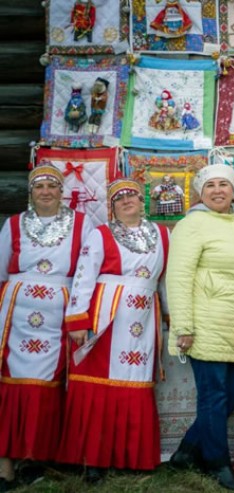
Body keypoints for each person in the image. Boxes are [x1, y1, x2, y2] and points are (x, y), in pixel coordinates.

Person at [57, 179, 169, 481]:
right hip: (106, 321)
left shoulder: (161, 235)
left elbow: (165, 282)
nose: (126, 200)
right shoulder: (100, 235)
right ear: (112, 206)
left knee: (134, 384)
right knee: (99, 387)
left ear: (141, 200)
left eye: (131, 194)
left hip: (143, 322)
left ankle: (129, 457)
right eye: (119, 198)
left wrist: (172, 317)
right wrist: (79, 320)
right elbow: (83, 277)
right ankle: (93, 459)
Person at [166, 163, 234, 491]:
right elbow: (178, 276)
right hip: (204, 323)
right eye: (210, 186)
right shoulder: (192, 225)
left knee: (232, 392)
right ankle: (218, 463)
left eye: (224, 184)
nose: (218, 190)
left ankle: (187, 451)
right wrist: (183, 326)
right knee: (213, 395)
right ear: (200, 193)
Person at [0, 165, 92, 489]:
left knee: (48, 382)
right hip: (17, 315)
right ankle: (6, 461)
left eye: (52, 185)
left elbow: (86, 271)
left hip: (57, 315)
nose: (46, 192)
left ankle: (35, 456)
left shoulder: (83, 224)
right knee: (11, 381)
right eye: (39, 186)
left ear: (61, 190)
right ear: (31, 191)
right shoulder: (13, 225)